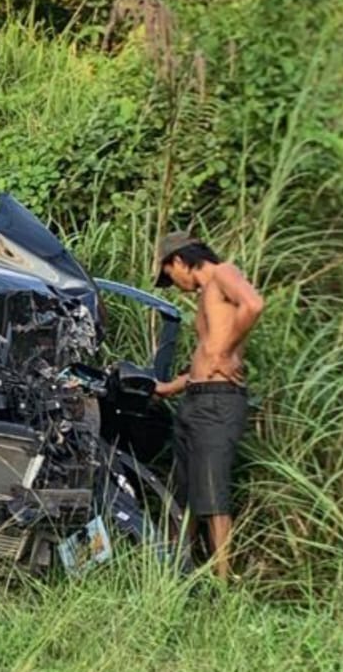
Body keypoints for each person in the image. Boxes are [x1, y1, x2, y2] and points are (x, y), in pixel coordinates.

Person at [152, 232, 265, 580]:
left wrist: (224, 351)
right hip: (197, 399)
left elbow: (255, 304)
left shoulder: (223, 273)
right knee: (183, 491)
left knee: (213, 494)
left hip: (219, 403)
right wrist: (168, 388)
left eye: (171, 275)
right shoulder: (207, 294)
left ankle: (222, 583)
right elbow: (203, 361)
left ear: (181, 262)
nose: (175, 283)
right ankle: (177, 573)